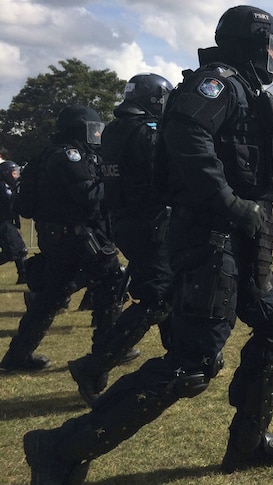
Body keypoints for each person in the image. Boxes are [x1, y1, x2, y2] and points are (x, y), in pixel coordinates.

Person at [24, 6, 273, 482]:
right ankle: (60, 448)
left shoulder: (243, 88)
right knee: (193, 362)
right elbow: (187, 136)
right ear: (258, 44)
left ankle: (250, 442)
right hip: (211, 237)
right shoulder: (216, 83)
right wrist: (229, 202)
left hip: (246, 236)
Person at [67, 73, 175, 406]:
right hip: (150, 224)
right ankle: (93, 366)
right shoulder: (148, 133)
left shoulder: (115, 130)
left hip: (127, 222)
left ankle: (180, 362)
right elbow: (169, 173)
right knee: (157, 298)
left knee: (169, 292)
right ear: (155, 99)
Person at [0, 106, 127, 372]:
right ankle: (109, 349)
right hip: (80, 237)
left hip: (57, 237)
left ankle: (17, 356)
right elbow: (89, 195)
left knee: (52, 296)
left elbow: (24, 205)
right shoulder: (72, 156)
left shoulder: (43, 157)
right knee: (112, 281)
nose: (96, 134)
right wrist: (115, 183)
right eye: (93, 129)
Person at [0, 159, 28, 284]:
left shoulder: (7, 186)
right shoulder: (2, 187)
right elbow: (10, 201)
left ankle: (23, 276)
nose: (16, 176)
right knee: (13, 253)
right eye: (14, 173)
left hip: (7, 223)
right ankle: (23, 275)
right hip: (3, 223)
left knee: (20, 250)